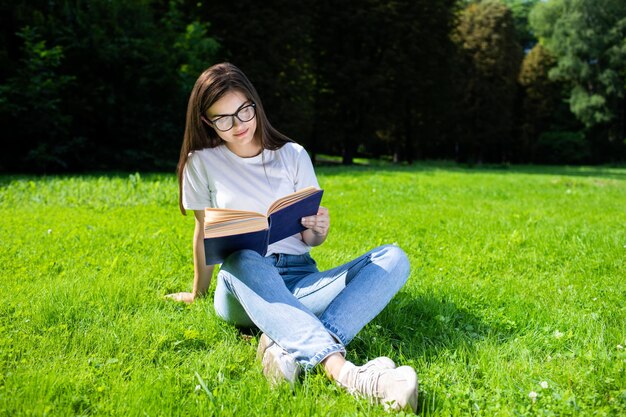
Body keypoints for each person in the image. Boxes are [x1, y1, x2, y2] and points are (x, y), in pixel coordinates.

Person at [167, 62, 418, 412]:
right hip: (242, 283)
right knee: (243, 256)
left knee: (393, 258)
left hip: (298, 278)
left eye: (243, 111)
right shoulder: (202, 162)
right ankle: (350, 375)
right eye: (223, 119)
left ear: (255, 104)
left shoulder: (292, 155)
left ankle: (284, 346)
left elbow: (310, 239)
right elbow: (202, 230)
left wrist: (317, 232)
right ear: (207, 121)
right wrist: (197, 292)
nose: (238, 125)